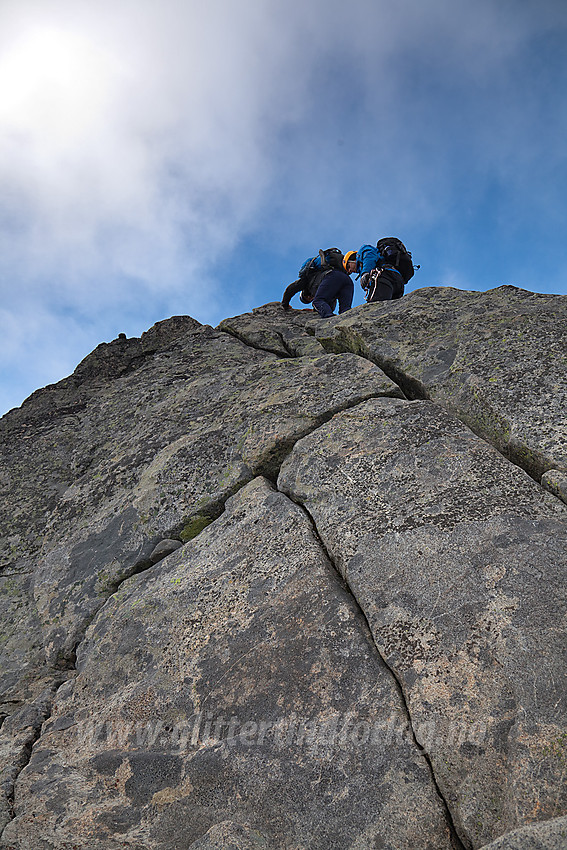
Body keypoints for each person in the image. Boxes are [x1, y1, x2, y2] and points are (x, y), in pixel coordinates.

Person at [312, 250, 357, 318]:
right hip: (348, 281)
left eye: (348, 266)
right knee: (345, 310)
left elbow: (292, 288)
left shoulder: (309, 277)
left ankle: (329, 319)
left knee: (318, 301)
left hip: (334, 276)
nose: (350, 271)